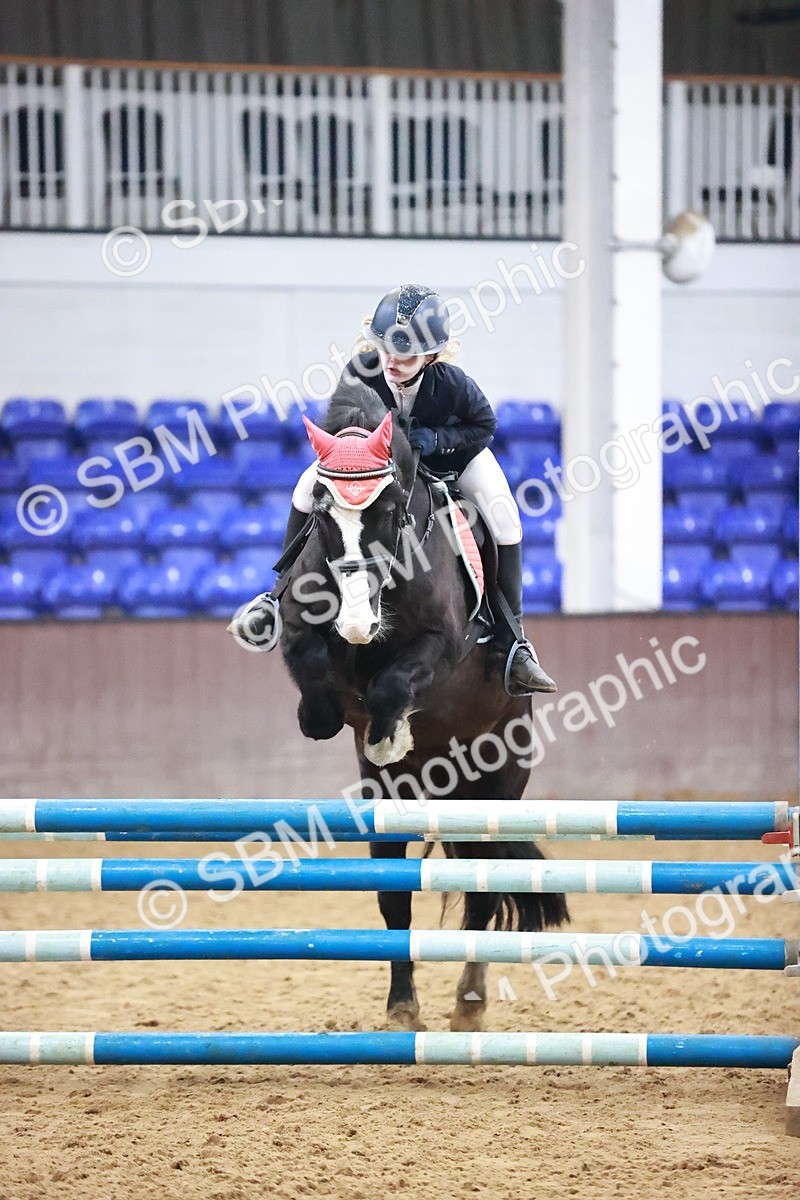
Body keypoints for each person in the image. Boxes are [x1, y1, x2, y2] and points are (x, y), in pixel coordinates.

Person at [235, 283, 556, 695]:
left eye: (404, 355)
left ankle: (512, 643)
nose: (391, 361)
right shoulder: (362, 371)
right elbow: (342, 424)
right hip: (376, 466)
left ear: (431, 356)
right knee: (305, 487)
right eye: (385, 348)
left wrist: (436, 440)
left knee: (506, 518)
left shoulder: (454, 384)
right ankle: (276, 600)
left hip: (453, 461)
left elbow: (484, 426)